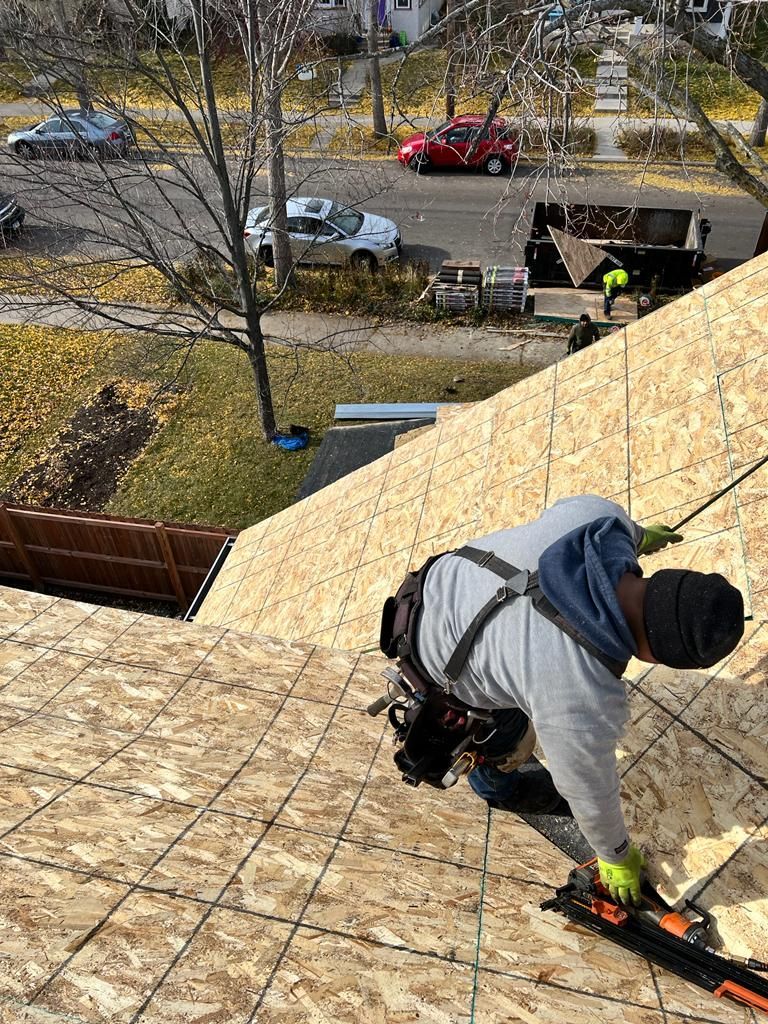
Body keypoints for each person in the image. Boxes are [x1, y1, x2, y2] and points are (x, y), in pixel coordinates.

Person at [396, 495, 745, 905]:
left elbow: (624, 532)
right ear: (655, 657)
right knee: (500, 766)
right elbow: (588, 792)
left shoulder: (601, 518)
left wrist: (637, 535)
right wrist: (614, 856)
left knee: (522, 678)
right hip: (431, 660)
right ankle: (497, 778)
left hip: (436, 583)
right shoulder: (576, 697)